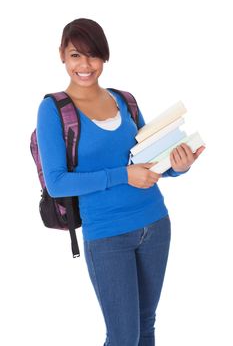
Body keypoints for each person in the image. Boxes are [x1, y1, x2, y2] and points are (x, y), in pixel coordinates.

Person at [37, 18, 205, 346]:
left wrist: (178, 166)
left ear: (104, 58)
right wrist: (123, 175)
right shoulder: (53, 109)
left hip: (155, 223)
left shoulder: (124, 99)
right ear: (61, 55)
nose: (85, 65)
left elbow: (148, 162)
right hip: (107, 235)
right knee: (123, 336)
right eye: (75, 55)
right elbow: (57, 183)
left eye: (93, 56)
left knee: (146, 326)